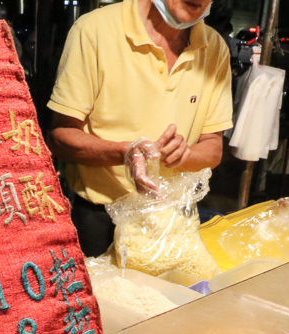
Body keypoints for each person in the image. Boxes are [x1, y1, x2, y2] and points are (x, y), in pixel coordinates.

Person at [47, 0, 234, 257]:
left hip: (172, 221)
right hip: (99, 220)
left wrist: (186, 156)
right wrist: (125, 152)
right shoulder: (94, 30)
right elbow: (60, 137)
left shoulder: (214, 48)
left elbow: (213, 148)